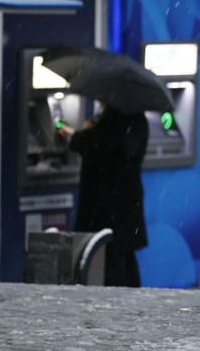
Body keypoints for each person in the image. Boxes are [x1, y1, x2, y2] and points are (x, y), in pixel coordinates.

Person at [58, 103, 149, 287]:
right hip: (125, 209)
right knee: (125, 260)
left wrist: (76, 135)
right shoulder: (138, 119)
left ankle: (120, 308)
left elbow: (98, 147)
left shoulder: (115, 120)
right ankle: (133, 305)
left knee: (109, 266)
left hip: (107, 209)